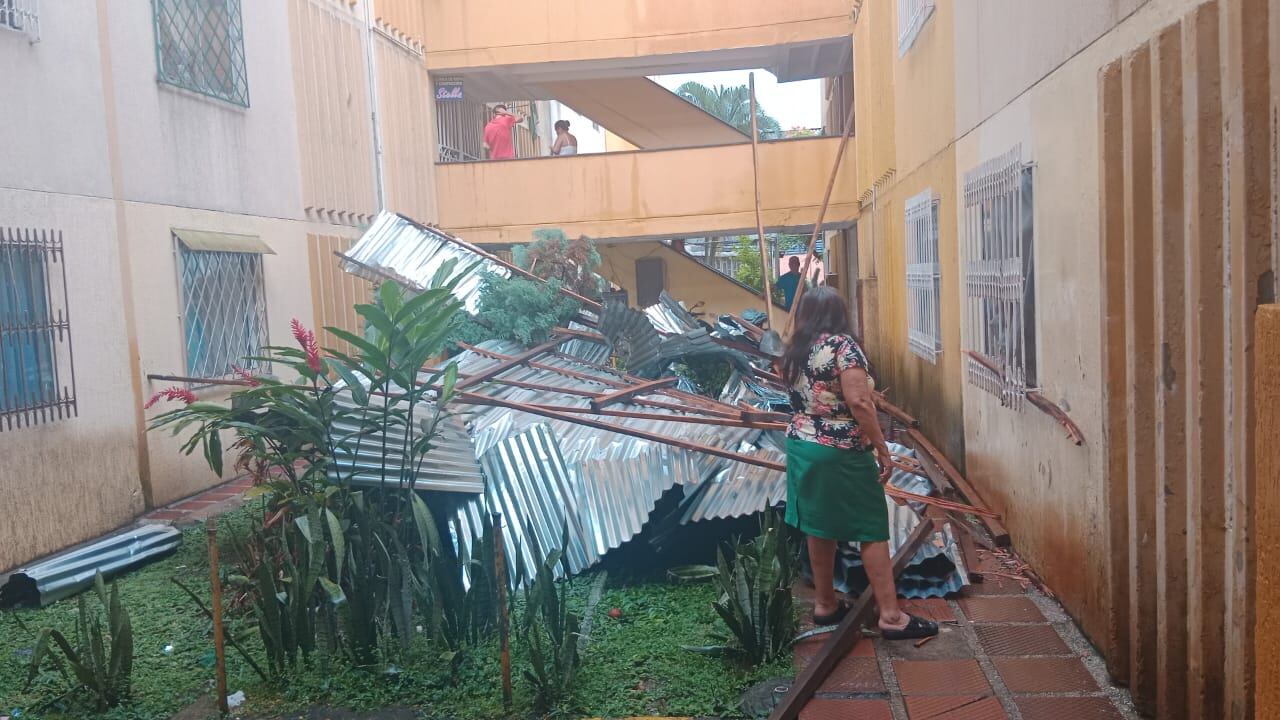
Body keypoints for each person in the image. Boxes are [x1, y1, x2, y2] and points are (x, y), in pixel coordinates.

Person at [780, 286, 938, 639]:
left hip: (802, 446)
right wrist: (882, 446)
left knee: (819, 526)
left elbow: (808, 396)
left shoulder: (795, 350)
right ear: (840, 313)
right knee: (870, 526)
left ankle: (825, 605)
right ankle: (891, 617)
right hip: (841, 450)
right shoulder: (843, 347)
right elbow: (858, 402)